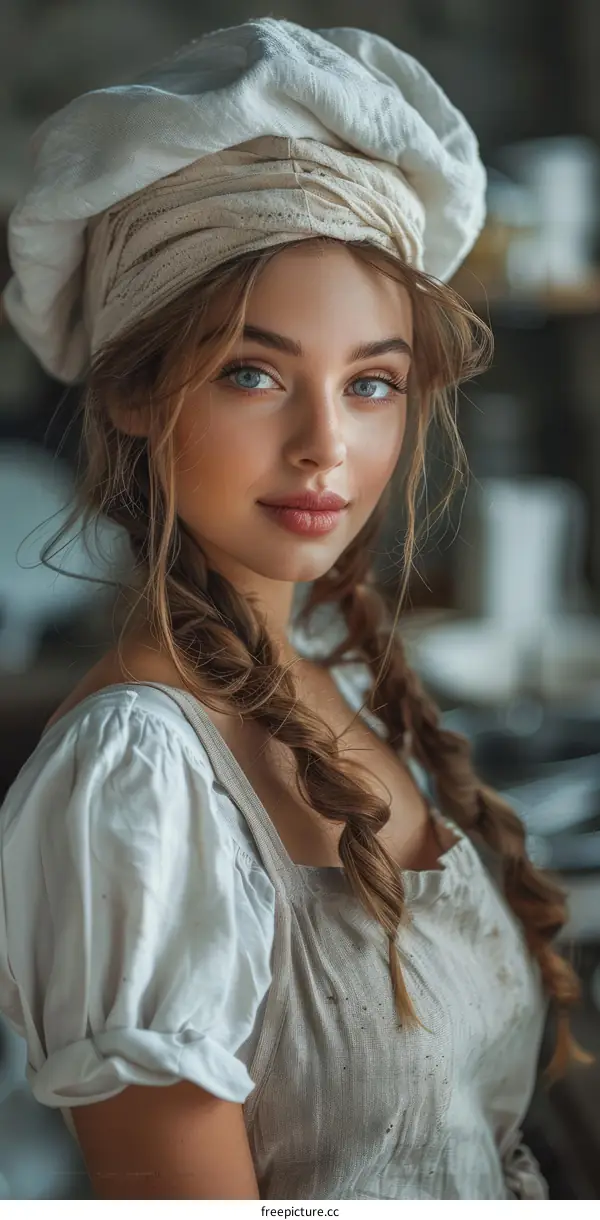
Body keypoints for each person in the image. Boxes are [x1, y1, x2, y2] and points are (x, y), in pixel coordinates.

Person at [0, 16, 592, 1202]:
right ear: (131, 389)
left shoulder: (338, 671)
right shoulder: (135, 781)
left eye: (371, 383)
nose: (327, 444)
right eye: (253, 372)